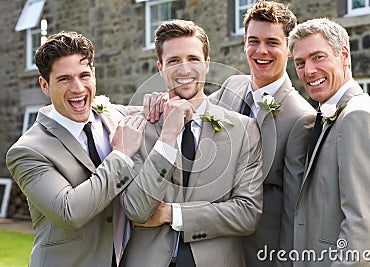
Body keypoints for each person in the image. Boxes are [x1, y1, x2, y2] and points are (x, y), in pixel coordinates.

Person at [119, 19, 264, 267]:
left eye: (193, 59)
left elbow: (247, 213)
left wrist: (172, 214)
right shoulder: (137, 127)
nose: (185, 70)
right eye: (174, 61)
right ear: (160, 67)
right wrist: (167, 137)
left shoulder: (243, 130)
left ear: (207, 63)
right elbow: (137, 209)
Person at [6, 31, 146, 267]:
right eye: (64, 79)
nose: (78, 88)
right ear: (44, 85)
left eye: (84, 75)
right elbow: (70, 212)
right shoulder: (27, 151)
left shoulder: (116, 117)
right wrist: (120, 156)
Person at [208, 2, 316, 266]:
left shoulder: (301, 118)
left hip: (259, 254)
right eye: (253, 41)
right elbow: (192, 109)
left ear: (289, 49)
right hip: (213, 246)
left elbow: (294, 211)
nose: (261, 51)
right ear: (245, 43)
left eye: (272, 42)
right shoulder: (231, 85)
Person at [288, 18, 370, 266]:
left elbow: (362, 224)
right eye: (300, 63)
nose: (308, 71)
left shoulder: (358, 116)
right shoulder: (332, 112)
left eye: (318, 57)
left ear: (344, 55)